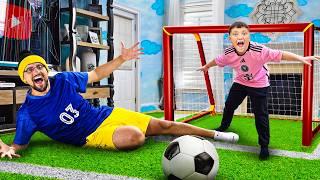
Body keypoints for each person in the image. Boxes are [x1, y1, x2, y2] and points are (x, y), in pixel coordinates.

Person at [1, 42, 239, 159]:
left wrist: (121, 59)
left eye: (38, 67)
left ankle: (216, 135)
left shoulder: (64, 79)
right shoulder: (28, 113)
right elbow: (19, 144)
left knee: (164, 124)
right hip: (90, 136)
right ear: (24, 78)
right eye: (29, 70)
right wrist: (7, 148)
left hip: (106, 114)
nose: (35, 72)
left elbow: (97, 75)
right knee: (135, 136)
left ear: (45, 69)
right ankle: (150, 133)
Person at [198, 21, 320, 160]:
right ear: (230, 37)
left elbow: (280, 54)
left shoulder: (259, 50)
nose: (240, 36)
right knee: (230, 105)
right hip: (241, 82)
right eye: (235, 34)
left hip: (259, 84)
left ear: (249, 36)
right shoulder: (229, 53)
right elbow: (217, 60)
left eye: (244, 33)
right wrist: (206, 66)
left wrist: (301, 58)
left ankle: (264, 146)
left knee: (260, 115)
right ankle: (224, 126)